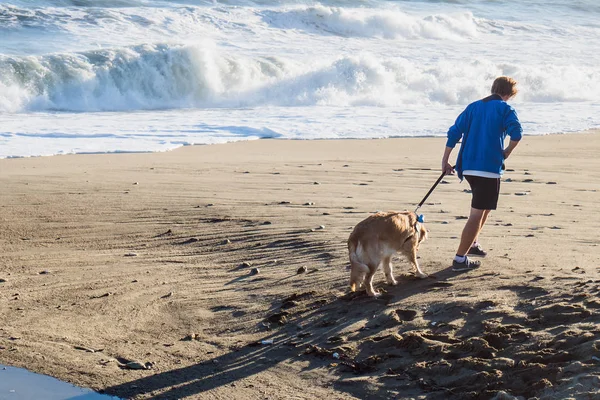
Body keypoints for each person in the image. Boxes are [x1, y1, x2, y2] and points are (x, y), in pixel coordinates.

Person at [441, 76, 523, 272]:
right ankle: (460, 259)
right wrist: (506, 152)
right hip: (488, 168)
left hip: (467, 167)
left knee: (484, 208)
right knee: (477, 213)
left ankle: (473, 244)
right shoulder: (505, 108)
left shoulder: (473, 107)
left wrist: (445, 160)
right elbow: (517, 133)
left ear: (493, 88)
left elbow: (454, 132)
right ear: (507, 94)